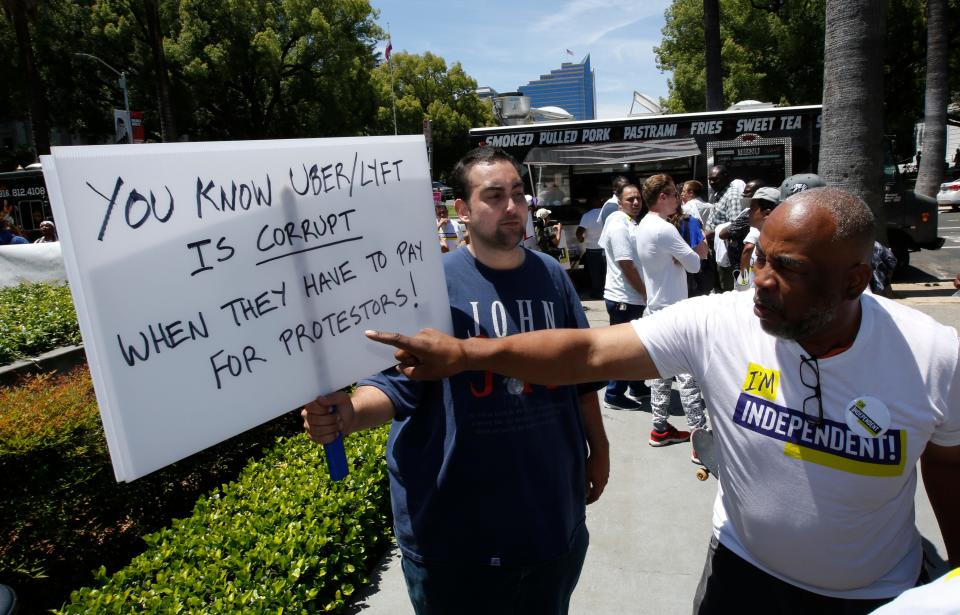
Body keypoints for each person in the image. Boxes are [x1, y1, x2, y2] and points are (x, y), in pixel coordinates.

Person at [366, 187, 960, 614]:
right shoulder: (720, 321)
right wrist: (470, 355)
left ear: (854, 282)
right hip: (739, 579)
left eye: (790, 268)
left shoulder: (934, 356)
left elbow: (949, 465)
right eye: (758, 258)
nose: (760, 279)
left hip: (876, 596)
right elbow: (589, 354)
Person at [302, 147, 609, 615]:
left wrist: (599, 451)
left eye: (517, 194)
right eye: (493, 196)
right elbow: (393, 384)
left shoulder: (552, 277)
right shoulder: (427, 284)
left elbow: (580, 378)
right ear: (461, 212)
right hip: (455, 537)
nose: (512, 207)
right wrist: (348, 414)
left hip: (550, 521)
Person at [635, 174, 708, 451]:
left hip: (655, 310)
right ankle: (699, 441)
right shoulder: (664, 229)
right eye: (675, 195)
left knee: (660, 377)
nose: (679, 200)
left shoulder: (644, 225)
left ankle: (660, 429)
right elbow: (695, 264)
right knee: (688, 379)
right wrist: (695, 250)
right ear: (662, 198)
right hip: (674, 314)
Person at [598, 182, 648, 410]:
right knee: (623, 349)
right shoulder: (618, 224)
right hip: (624, 299)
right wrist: (645, 293)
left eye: (638, 198)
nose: (636, 202)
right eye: (630, 199)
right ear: (620, 203)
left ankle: (636, 386)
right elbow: (626, 263)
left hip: (629, 297)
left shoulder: (628, 221)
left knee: (637, 347)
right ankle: (614, 394)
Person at [704, 165, 745, 291]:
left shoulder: (732, 195)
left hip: (728, 255)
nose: (711, 182)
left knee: (729, 288)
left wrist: (710, 233)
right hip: (717, 250)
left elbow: (735, 227)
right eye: (709, 179)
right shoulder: (720, 193)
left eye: (715, 179)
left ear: (726, 177)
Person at [576, 197, 606, 299]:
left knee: (595, 273)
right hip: (606, 248)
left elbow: (579, 232)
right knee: (606, 272)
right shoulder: (607, 214)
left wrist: (581, 240)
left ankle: (597, 293)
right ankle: (608, 292)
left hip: (592, 249)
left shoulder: (587, 216)